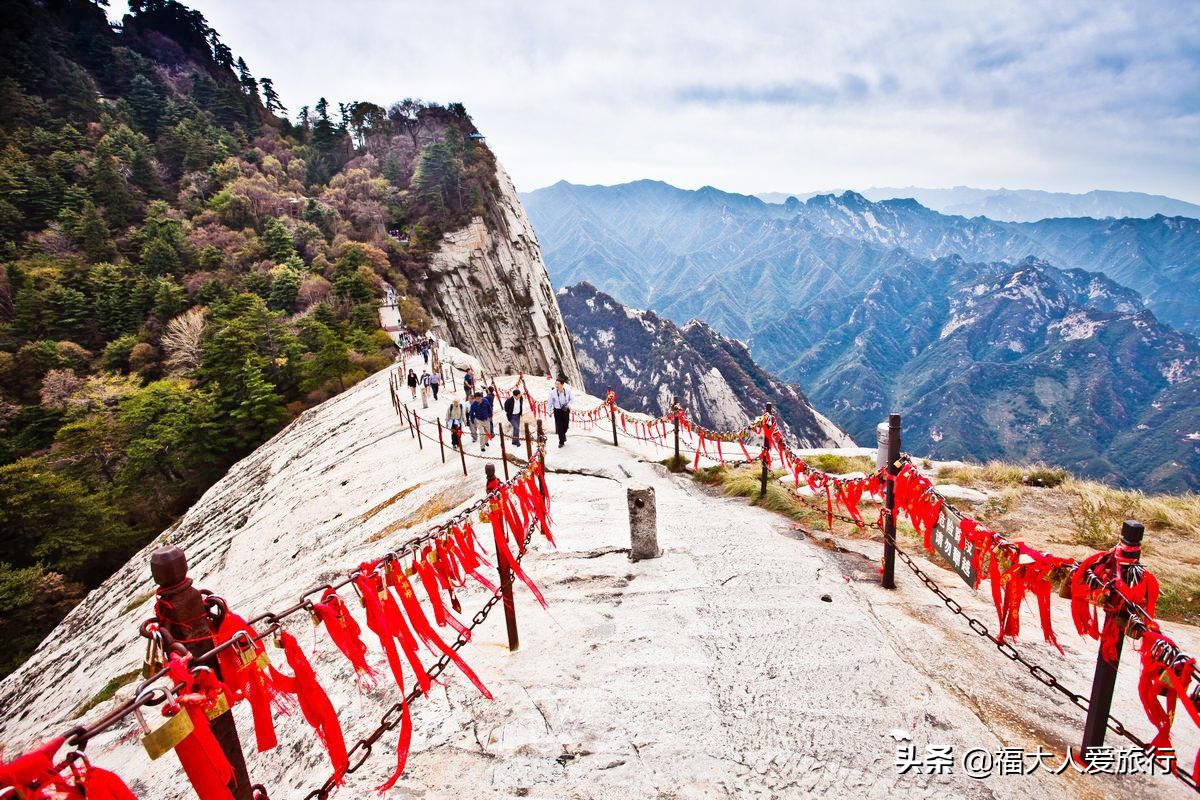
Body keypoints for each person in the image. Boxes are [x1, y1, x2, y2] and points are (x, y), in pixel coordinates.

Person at [549, 377, 573, 448]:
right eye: (556, 384)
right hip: (557, 411)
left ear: (562, 384)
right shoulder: (553, 393)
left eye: (558, 384)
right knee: (559, 427)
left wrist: (568, 405)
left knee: (566, 426)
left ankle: (563, 435)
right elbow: (550, 403)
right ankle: (561, 442)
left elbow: (571, 399)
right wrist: (549, 411)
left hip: (565, 410)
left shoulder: (568, 391)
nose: (557, 385)